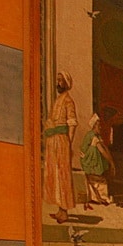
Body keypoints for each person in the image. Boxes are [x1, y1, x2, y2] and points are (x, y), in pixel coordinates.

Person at [43, 71, 78, 222]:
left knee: (63, 176)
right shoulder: (58, 100)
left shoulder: (68, 101)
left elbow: (72, 123)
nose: (58, 83)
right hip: (53, 142)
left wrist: (68, 143)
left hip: (62, 142)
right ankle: (60, 209)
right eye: (57, 80)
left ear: (66, 83)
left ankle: (64, 211)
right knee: (55, 175)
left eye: (60, 80)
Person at [78, 113, 114, 209]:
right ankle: (98, 197)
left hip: (93, 159)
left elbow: (104, 148)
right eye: (98, 125)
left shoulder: (97, 136)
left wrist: (111, 161)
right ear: (94, 126)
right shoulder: (92, 136)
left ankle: (100, 197)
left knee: (99, 175)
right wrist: (111, 162)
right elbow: (101, 151)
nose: (100, 127)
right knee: (96, 176)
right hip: (88, 159)